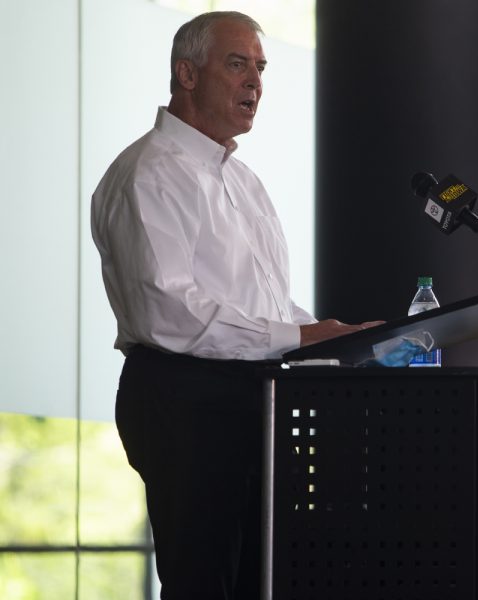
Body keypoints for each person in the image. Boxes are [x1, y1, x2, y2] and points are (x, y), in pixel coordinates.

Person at [91, 11, 379, 599]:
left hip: (258, 397)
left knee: (266, 580)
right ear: (186, 74)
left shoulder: (243, 182)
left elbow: (266, 307)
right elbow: (168, 311)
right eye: (237, 64)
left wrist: (343, 339)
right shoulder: (148, 174)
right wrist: (304, 338)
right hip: (185, 396)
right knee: (206, 583)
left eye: (262, 68)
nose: (256, 83)